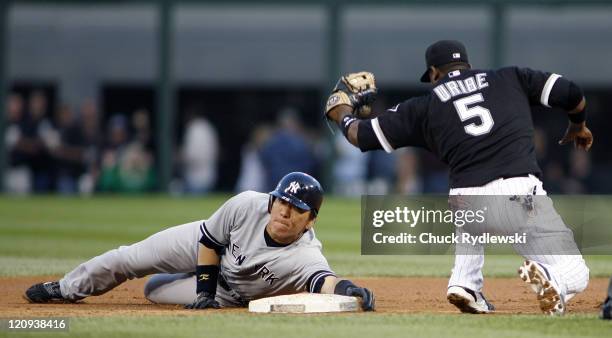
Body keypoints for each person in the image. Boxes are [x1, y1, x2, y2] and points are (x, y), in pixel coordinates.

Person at [325, 40, 592, 315]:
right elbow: (570, 92)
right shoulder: (509, 77)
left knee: (466, 207)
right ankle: (554, 279)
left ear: (433, 73)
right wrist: (578, 124)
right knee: (577, 272)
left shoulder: (424, 107)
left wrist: (341, 113)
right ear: (468, 65)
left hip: (467, 203)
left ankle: (465, 284)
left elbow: (360, 135)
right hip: (519, 193)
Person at [23, 172, 375, 311]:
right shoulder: (247, 204)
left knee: (152, 291)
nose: (285, 211)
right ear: (272, 200)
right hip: (206, 245)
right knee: (129, 258)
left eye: (297, 208)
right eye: (282, 201)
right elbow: (209, 240)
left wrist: (349, 289)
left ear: (310, 220)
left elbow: (323, 280)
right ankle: (66, 288)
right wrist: (203, 290)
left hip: (232, 293)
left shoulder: (305, 254)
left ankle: (184, 282)